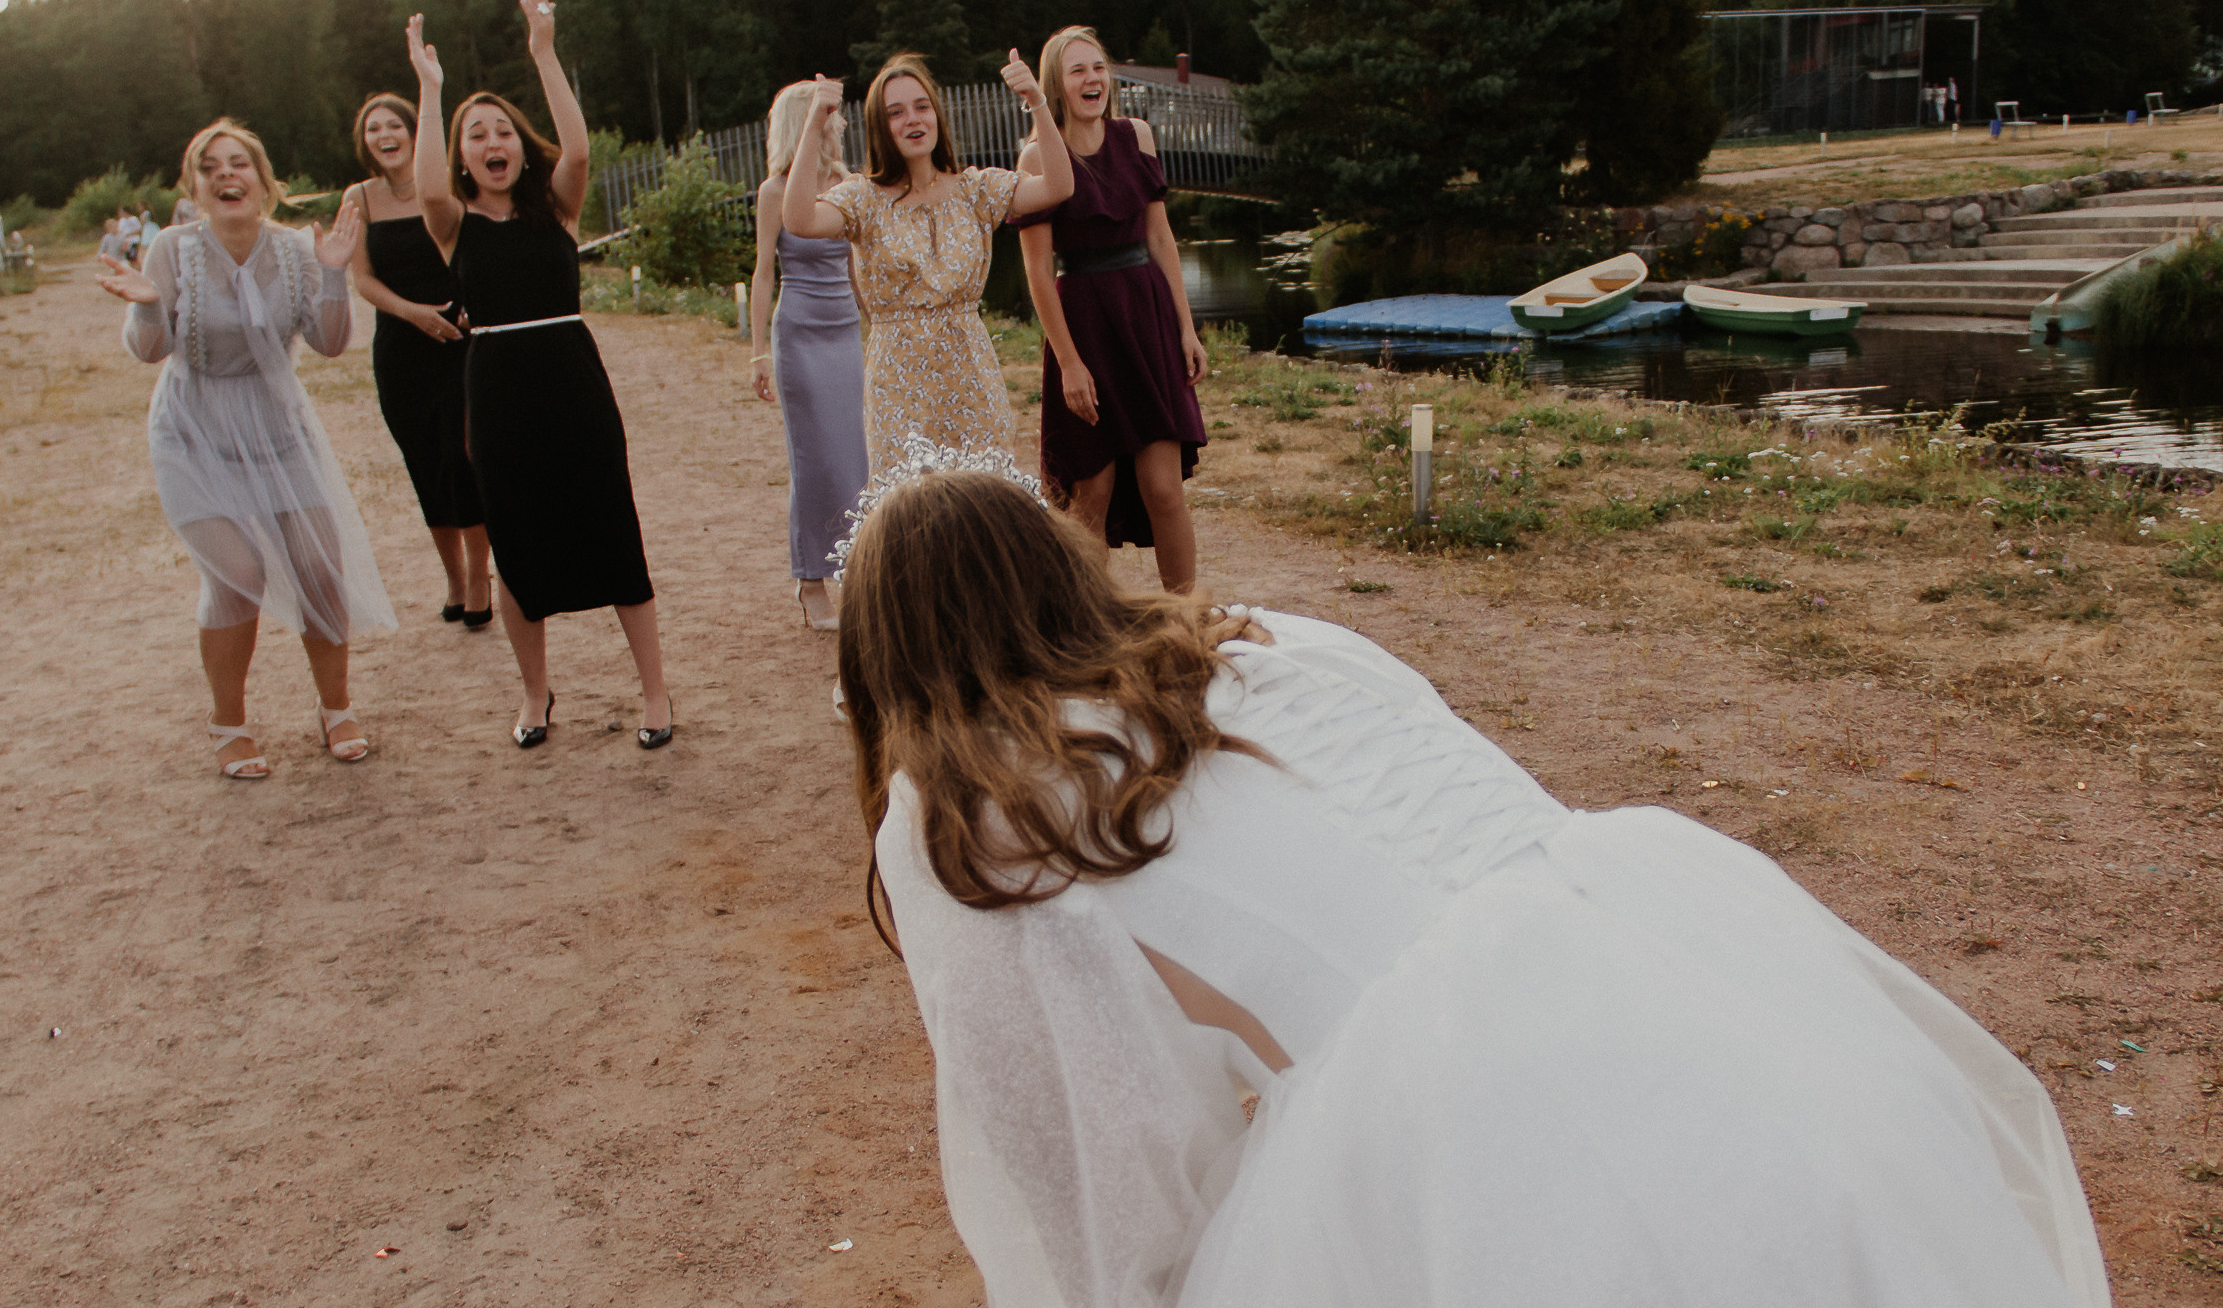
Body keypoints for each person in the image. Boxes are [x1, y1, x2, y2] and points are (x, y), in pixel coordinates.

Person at [842, 469, 2112, 1308]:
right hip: (1654, 941)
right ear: (1063, 567)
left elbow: (1090, 1163)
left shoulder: (963, 806)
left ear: (887, 664)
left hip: (1461, 1096)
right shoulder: (1269, 641)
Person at [409, 0, 673, 751]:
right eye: (475, 135)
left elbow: (582, 149)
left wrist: (545, 53)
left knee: (613, 530)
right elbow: (426, 187)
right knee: (517, 549)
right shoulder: (452, 223)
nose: (491, 142)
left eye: (502, 131)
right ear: (464, 156)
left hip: (573, 381)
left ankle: (654, 691)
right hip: (495, 392)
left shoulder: (556, 206)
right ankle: (534, 694)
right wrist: (432, 95)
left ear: (521, 146)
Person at [96, 118, 395, 778]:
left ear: (265, 182)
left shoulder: (293, 249)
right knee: (239, 574)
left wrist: (334, 275)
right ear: (196, 187)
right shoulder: (171, 250)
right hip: (194, 431)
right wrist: (148, 308)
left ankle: (336, 707)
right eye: (210, 167)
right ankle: (228, 723)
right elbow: (150, 351)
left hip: (277, 428)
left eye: (238, 164)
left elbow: (330, 341)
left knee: (319, 567)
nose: (225, 174)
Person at [781, 53, 1074, 476]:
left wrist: (1036, 100)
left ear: (937, 114)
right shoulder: (863, 198)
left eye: (921, 106)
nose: (912, 120)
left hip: (970, 373)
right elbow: (799, 219)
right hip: (898, 382)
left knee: (982, 506)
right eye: (895, 113)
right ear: (882, 127)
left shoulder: (975, 190)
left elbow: (1059, 185)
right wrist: (814, 124)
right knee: (910, 514)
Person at [1015, 26, 1208, 591]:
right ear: (1056, 85)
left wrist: (1185, 329)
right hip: (1085, 329)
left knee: (1164, 490)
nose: (1092, 79)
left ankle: (1185, 621)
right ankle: (1085, 629)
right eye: (1077, 70)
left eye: (1097, 67)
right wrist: (1069, 363)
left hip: (1146, 322)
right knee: (1090, 496)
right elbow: (1037, 272)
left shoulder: (1137, 137)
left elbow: (1161, 238)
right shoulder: (1037, 157)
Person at [342, 91, 494, 629]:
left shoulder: (448, 186)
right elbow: (362, 279)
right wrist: (412, 314)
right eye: (371, 129)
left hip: (460, 343)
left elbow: (479, 254)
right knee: (425, 464)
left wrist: (475, 309)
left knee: (464, 460)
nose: (383, 136)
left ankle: (480, 576)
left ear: (413, 132)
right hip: (401, 351)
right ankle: (452, 577)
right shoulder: (358, 198)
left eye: (393, 126)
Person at [750, 81, 867, 631]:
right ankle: (810, 579)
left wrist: (880, 321)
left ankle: (857, 569)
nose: (838, 125)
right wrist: (757, 354)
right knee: (814, 460)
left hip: (845, 330)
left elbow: (856, 266)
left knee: (854, 455)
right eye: (827, 116)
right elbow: (763, 272)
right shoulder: (774, 191)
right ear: (804, 122)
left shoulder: (848, 184)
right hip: (797, 332)